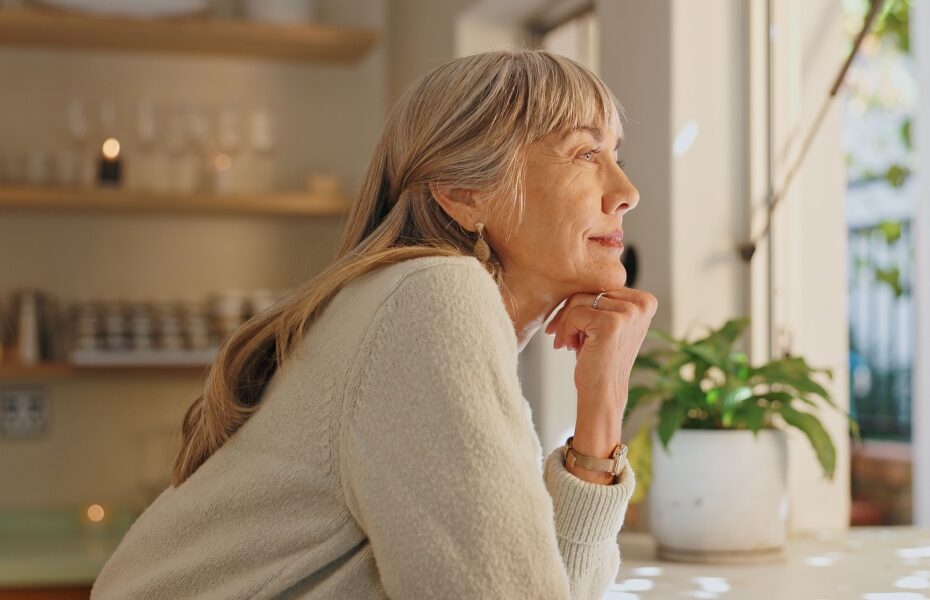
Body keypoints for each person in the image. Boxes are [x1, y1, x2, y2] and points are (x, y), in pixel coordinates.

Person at [91, 48, 657, 600]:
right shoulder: (432, 295)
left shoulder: (416, 303)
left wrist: (602, 400)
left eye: (618, 159)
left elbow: (553, 585)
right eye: (586, 154)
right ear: (466, 194)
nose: (626, 193)